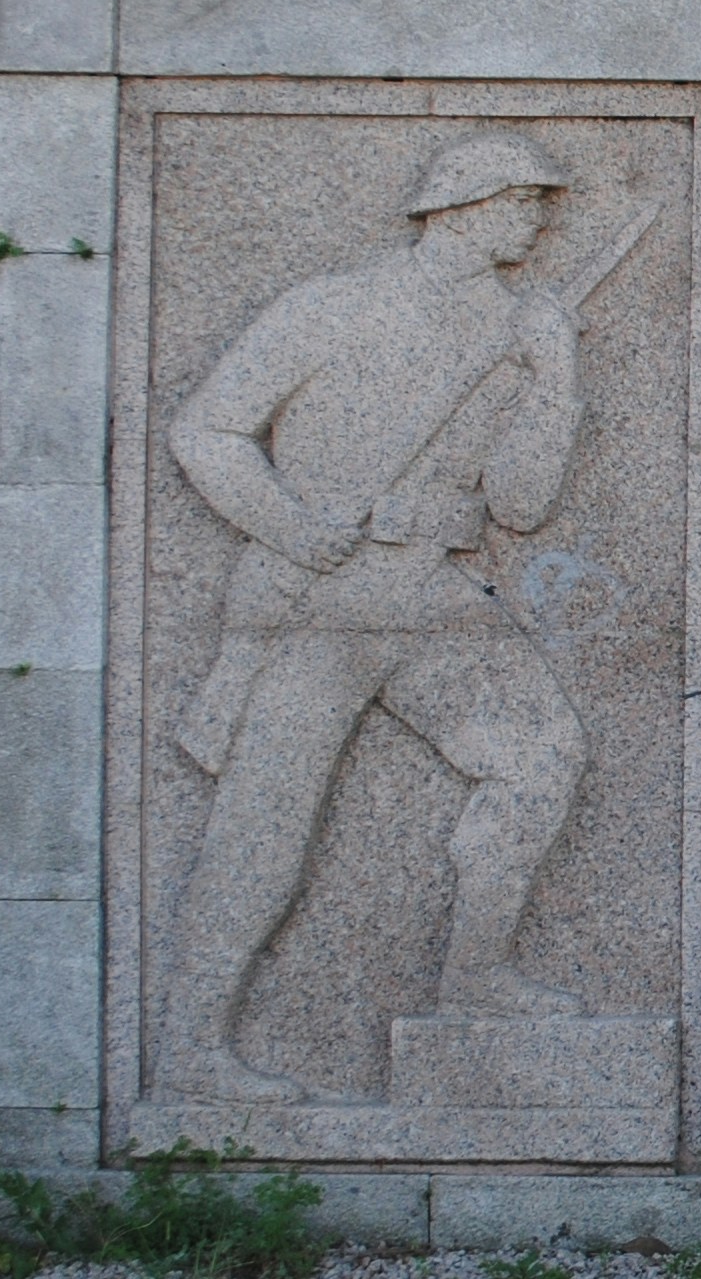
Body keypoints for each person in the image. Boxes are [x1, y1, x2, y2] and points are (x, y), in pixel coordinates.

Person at [157, 131, 600, 1102]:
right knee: (264, 822)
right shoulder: (333, 307)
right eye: (520, 198)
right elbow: (207, 429)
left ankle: (474, 975)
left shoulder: (514, 329)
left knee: (541, 753)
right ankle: (192, 1047)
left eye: (539, 200)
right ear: (458, 206)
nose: (536, 216)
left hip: (430, 590)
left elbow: (521, 504)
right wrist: (287, 523)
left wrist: (555, 377)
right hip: (319, 596)